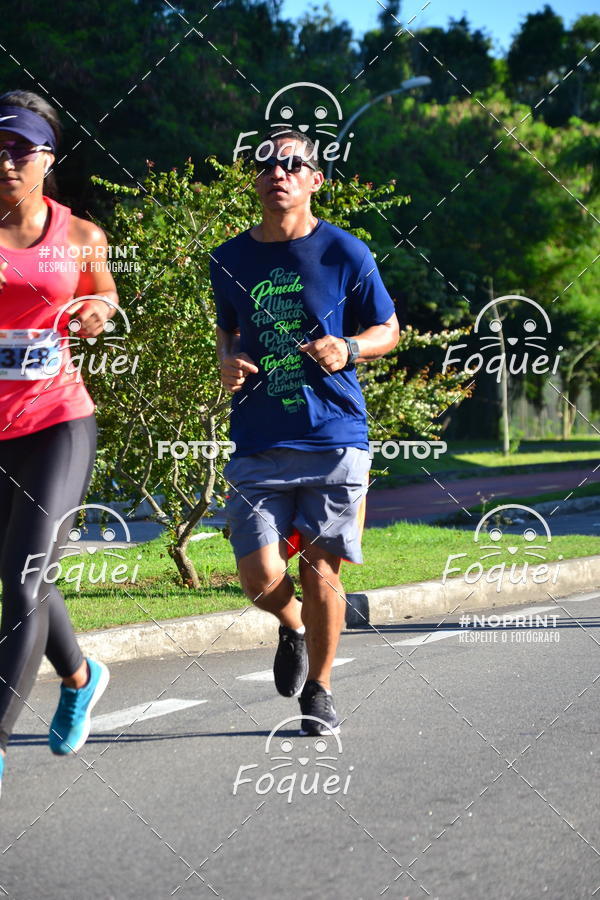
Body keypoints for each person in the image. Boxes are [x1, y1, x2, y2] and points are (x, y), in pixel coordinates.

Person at [210, 129, 399, 735]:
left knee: (324, 570)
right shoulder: (229, 258)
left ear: (315, 179)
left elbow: (389, 329)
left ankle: (319, 689)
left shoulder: (347, 252)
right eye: (265, 164)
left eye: (293, 164)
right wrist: (226, 360)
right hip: (259, 438)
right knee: (260, 578)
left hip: (334, 436)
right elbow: (228, 331)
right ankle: (289, 623)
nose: (278, 173)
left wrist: (349, 347)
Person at [0, 90, 118, 795]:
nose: (7, 162)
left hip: (56, 422)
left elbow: (102, 292)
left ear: (47, 157)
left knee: (22, 581)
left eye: (20, 149)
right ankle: (81, 676)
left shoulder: (79, 236)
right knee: (22, 573)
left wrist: (97, 310)